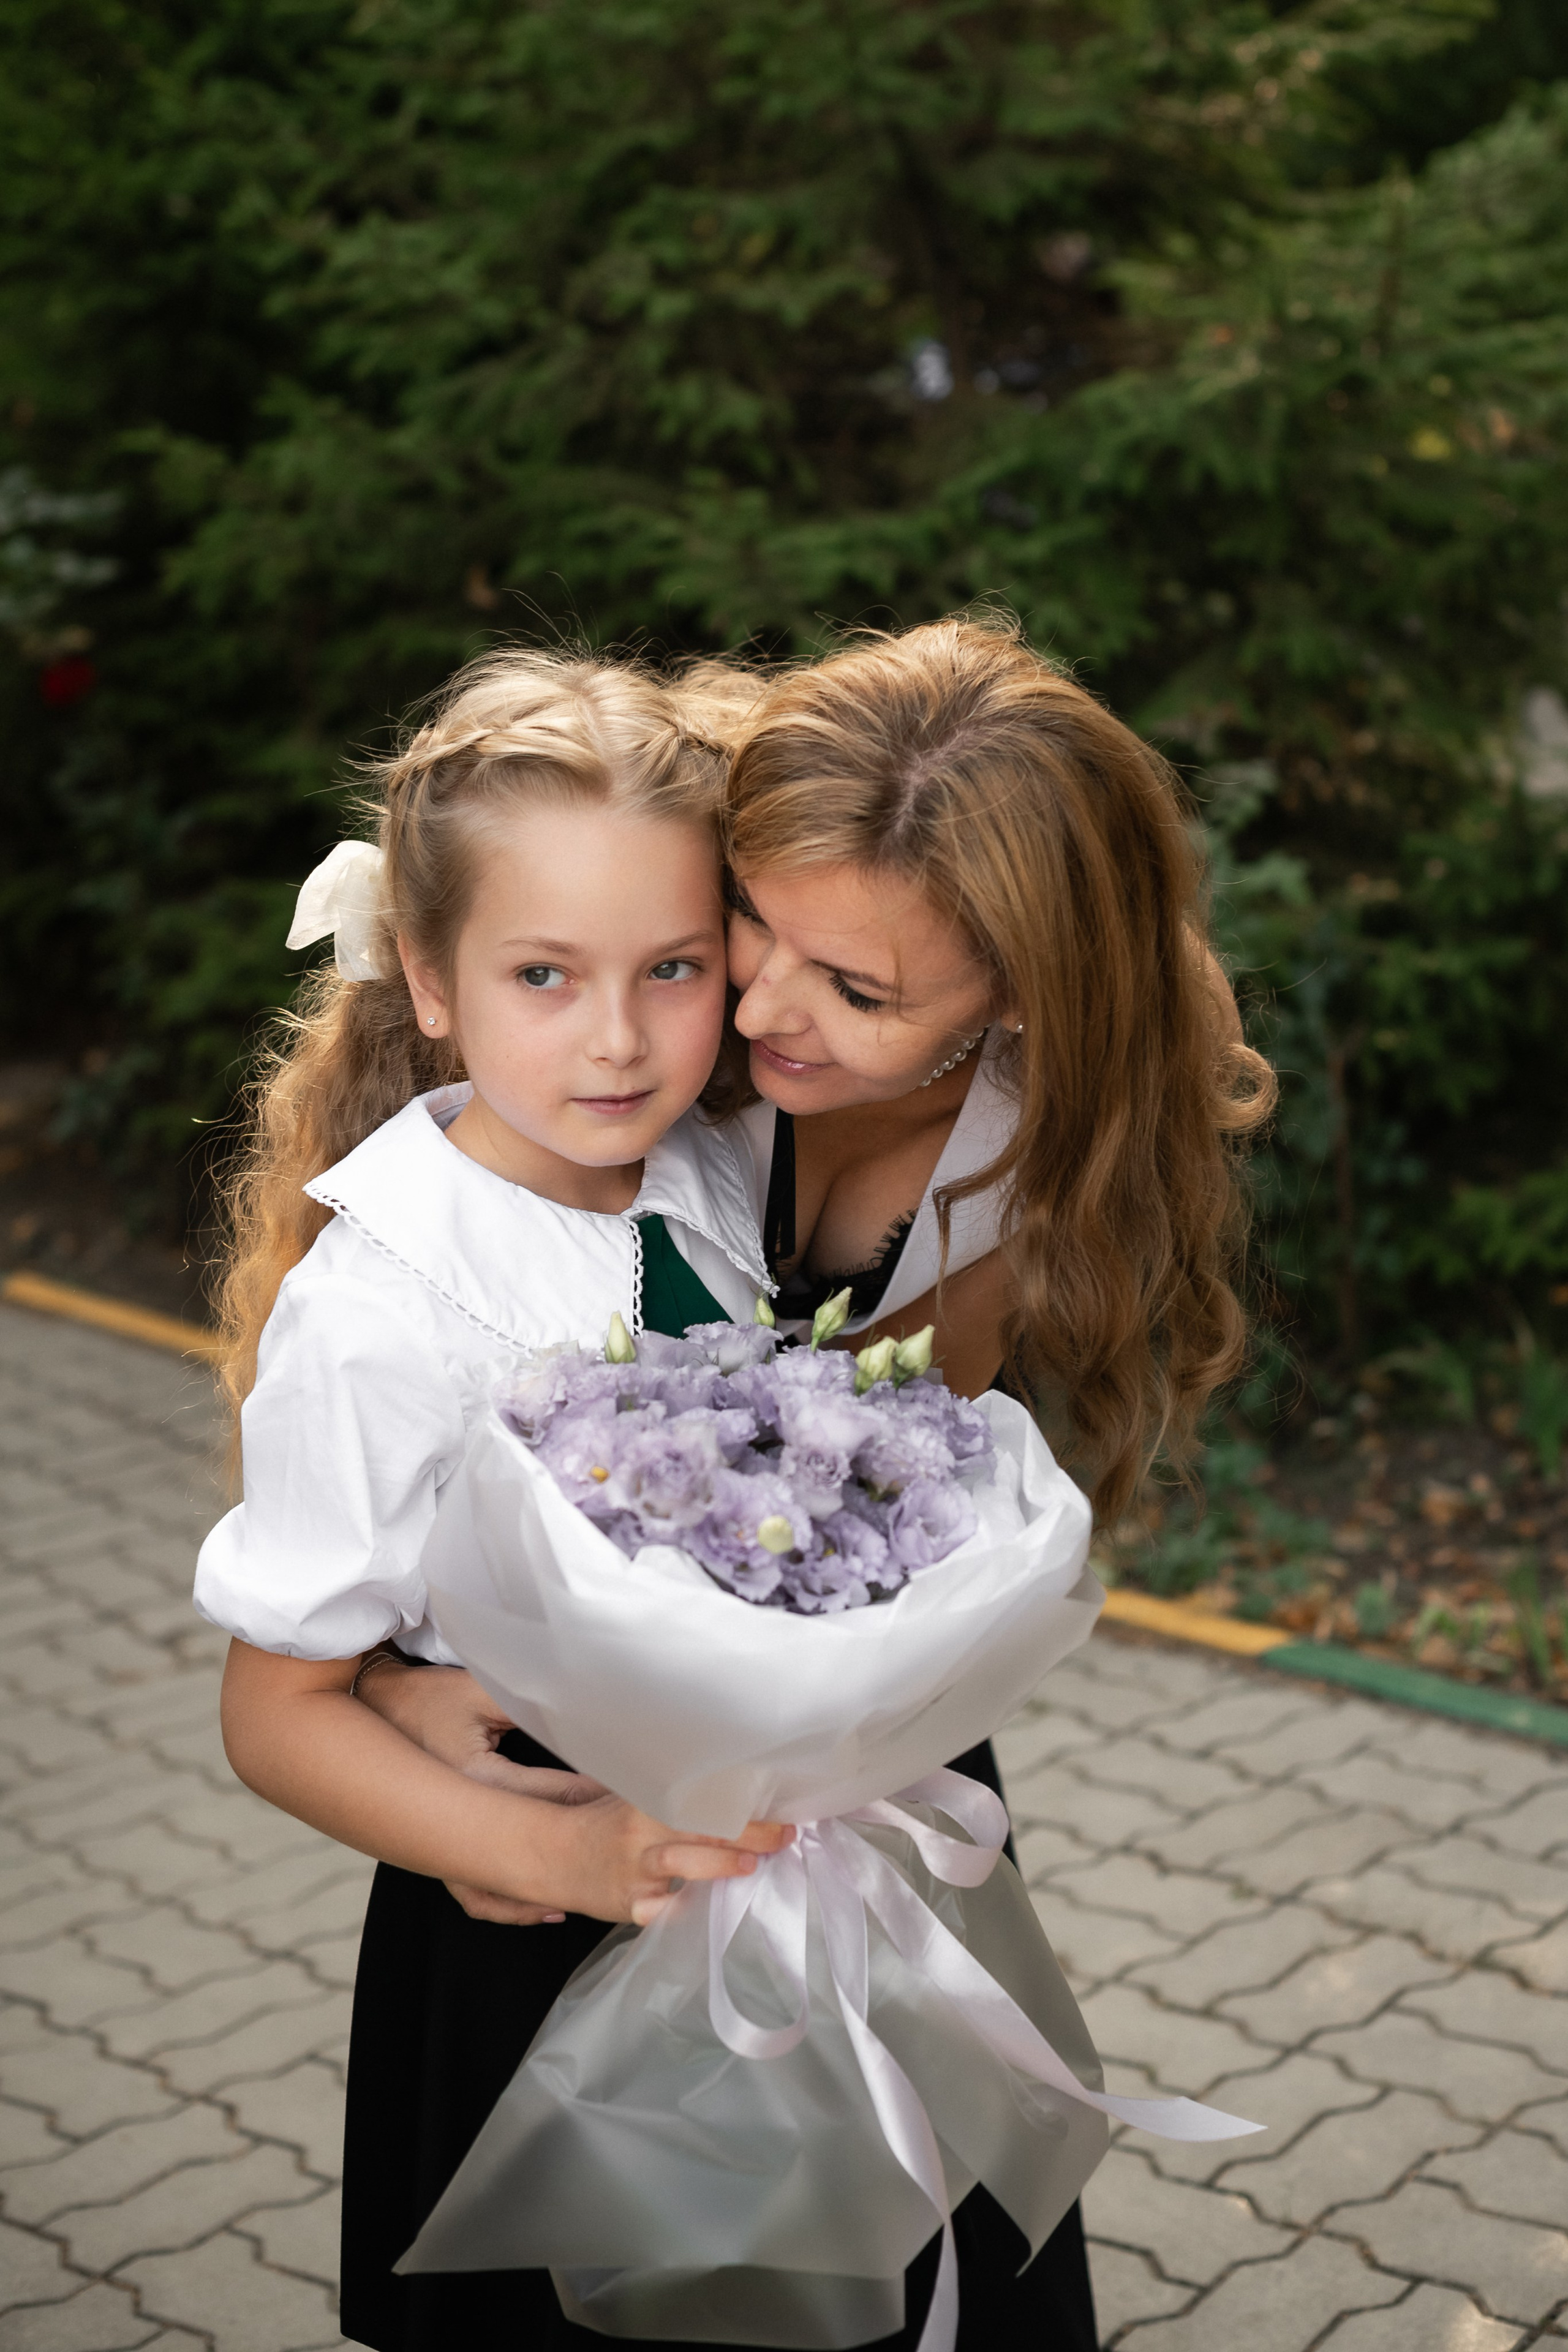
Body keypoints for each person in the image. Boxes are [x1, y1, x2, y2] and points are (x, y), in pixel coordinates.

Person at [361, 615, 1275, 2348]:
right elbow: (377, 1390)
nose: (763, 1009)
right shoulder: (632, 981)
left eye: (858, 994)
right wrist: (388, 1693)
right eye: (752, 930)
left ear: (1014, 998)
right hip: (533, 1769)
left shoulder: (1028, 1151)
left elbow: (877, 1517)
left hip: (827, 1761)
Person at [195, 648, 794, 2352]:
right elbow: (275, 1712)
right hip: (527, 1927)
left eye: (674, 969)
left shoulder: (705, 1166)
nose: (619, 1039)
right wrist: (559, 1848)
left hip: (750, 1893)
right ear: (431, 985)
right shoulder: (385, 1305)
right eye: (546, 974)